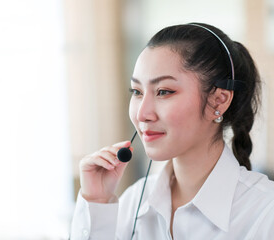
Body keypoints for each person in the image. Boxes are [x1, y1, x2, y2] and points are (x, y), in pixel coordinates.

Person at [70, 23, 274, 240]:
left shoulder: (265, 213)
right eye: (137, 92)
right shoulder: (133, 203)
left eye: (164, 91)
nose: (142, 114)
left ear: (219, 100)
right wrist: (96, 202)